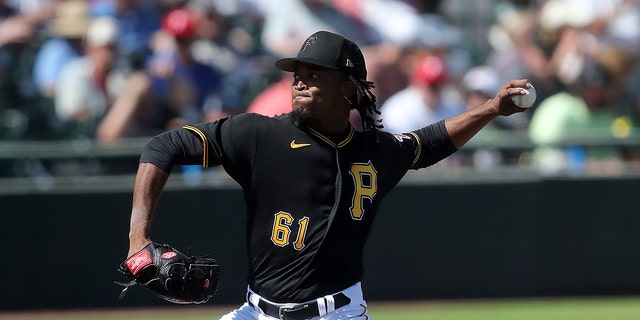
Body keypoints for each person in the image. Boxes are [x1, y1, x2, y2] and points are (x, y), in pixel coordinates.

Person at [124, 30, 531, 319]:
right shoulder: (259, 135)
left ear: (349, 89)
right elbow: (163, 146)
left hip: (338, 314)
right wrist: (137, 238)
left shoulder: (377, 150)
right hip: (257, 312)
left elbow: (430, 143)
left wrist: (492, 108)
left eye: (315, 74)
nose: (300, 81)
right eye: (297, 72)